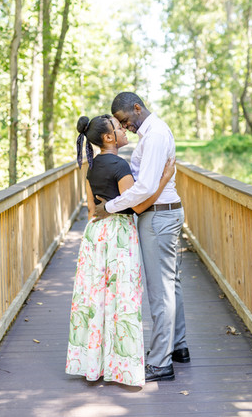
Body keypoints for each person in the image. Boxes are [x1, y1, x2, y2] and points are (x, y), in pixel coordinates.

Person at [65, 113, 175, 387]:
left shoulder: (90, 166)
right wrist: (165, 177)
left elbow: (92, 209)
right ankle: (122, 366)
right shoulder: (120, 165)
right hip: (119, 235)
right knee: (122, 300)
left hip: (95, 234)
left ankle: (95, 363)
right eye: (118, 128)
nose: (125, 130)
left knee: (96, 299)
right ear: (109, 138)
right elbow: (137, 206)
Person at [94, 92, 190, 383]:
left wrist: (108, 207)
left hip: (158, 216)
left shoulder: (156, 134)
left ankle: (160, 363)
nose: (125, 127)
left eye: (125, 120)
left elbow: (145, 186)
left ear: (137, 108)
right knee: (170, 284)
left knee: (160, 290)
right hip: (161, 213)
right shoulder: (150, 135)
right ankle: (178, 347)